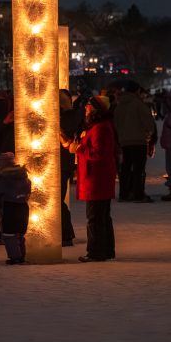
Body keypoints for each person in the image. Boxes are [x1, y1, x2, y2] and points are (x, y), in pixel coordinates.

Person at [74, 95, 117, 262]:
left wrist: (78, 148)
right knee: (102, 216)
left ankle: (96, 252)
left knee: (95, 217)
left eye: (88, 105)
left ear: (96, 109)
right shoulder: (98, 127)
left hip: (96, 179)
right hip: (98, 178)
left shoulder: (100, 128)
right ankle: (106, 250)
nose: (85, 108)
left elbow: (99, 153)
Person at [113, 82, 156, 203]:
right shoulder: (138, 104)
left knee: (125, 168)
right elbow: (148, 123)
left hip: (124, 142)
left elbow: (116, 124)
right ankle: (138, 194)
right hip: (139, 141)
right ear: (136, 91)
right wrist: (148, 134)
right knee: (139, 169)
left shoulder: (120, 105)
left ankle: (124, 194)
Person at [0, 152, 31, 264]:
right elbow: (28, 189)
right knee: (20, 234)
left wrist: (0, 203)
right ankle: (21, 256)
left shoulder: (3, 179)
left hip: (9, 208)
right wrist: (23, 198)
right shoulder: (23, 176)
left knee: (9, 235)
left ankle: (15, 257)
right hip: (23, 207)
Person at [58, 89, 80, 245]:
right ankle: (65, 233)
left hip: (63, 161)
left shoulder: (69, 116)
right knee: (58, 198)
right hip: (63, 161)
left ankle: (66, 234)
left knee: (57, 199)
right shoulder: (72, 116)